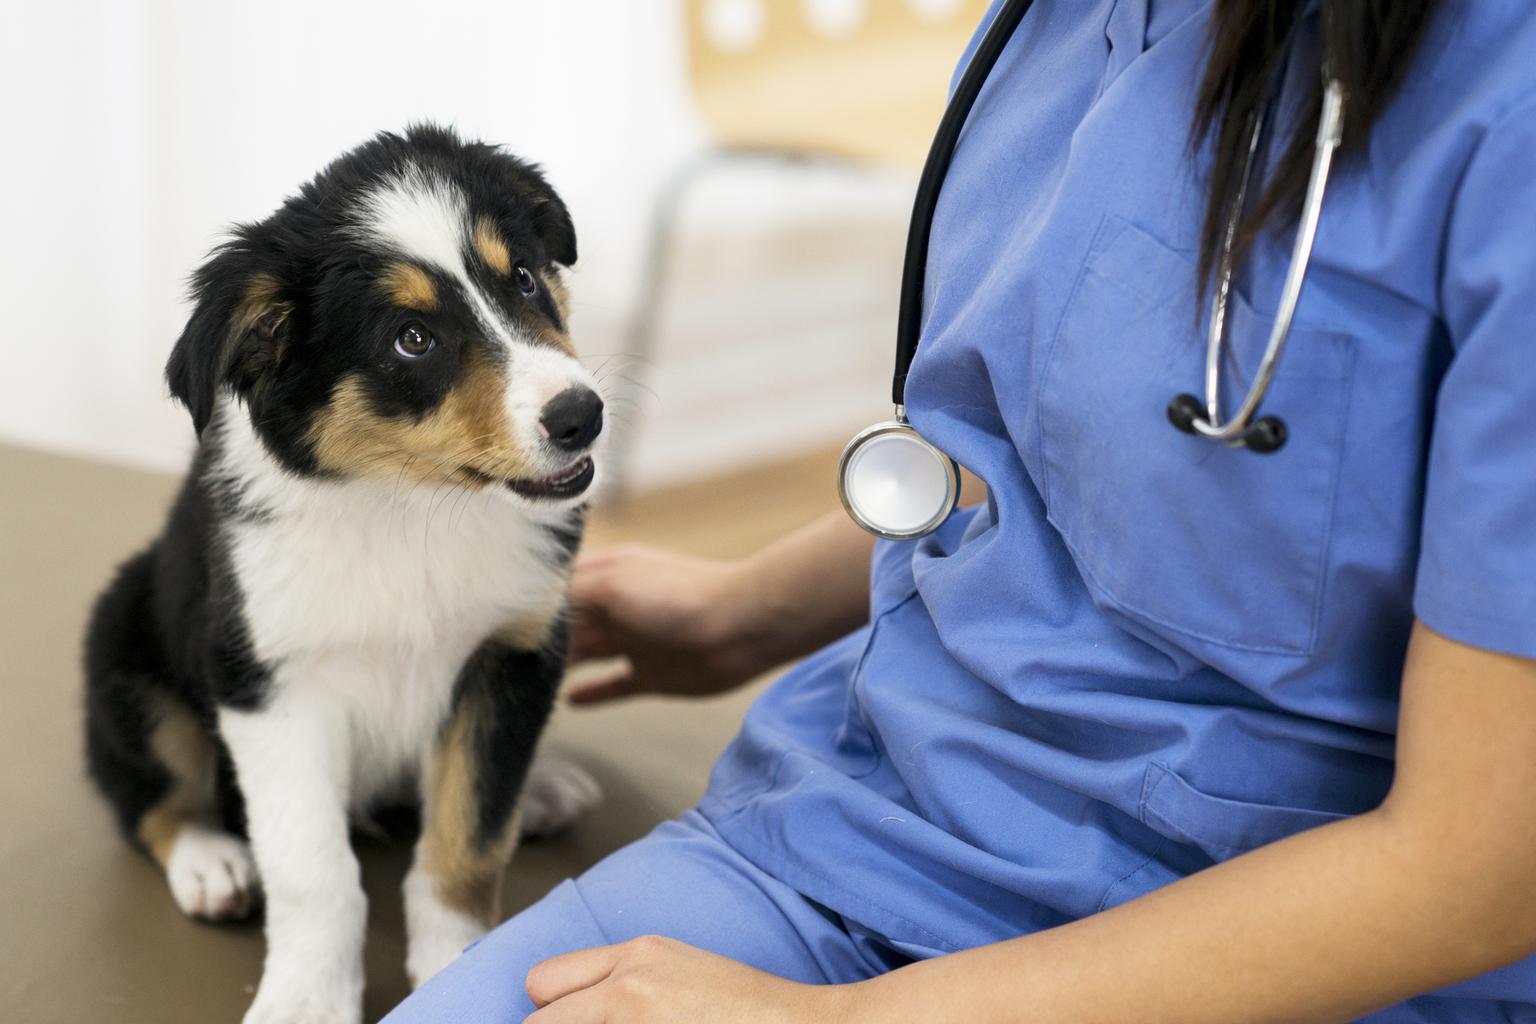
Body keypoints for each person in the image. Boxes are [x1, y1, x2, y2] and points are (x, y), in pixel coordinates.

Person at [385, 0, 1536, 1020]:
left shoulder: (1504, 103)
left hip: (1270, 948)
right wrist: (746, 612)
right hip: (861, 826)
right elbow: (1046, 453)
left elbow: (1479, 872)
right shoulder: (1054, 25)